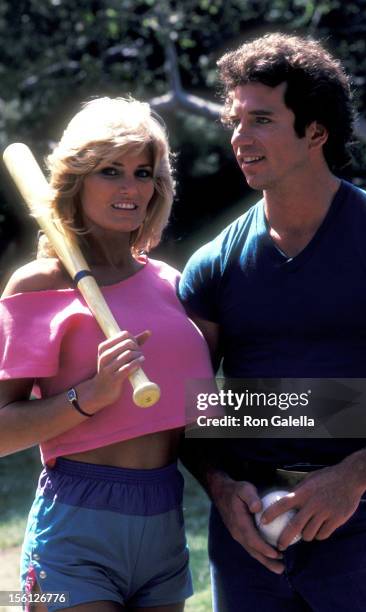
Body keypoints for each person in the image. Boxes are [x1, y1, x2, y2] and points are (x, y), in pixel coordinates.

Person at [178, 34, 366, 611]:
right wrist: (222, 491)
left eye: (262, 119)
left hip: (358, 517)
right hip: (246, 526)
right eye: (236, 119)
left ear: (316, 132)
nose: (241, 137)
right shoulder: (213, 264)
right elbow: (188, 403)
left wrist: (351, 479)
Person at [0, 96, 213, 612]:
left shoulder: (173, 286)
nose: (130, 187)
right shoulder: (37, 286)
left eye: (144, 172)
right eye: (110, 171)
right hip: (75, 526)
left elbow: (202, 419)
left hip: (165, 520)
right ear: (76, 182)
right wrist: (89, 397)